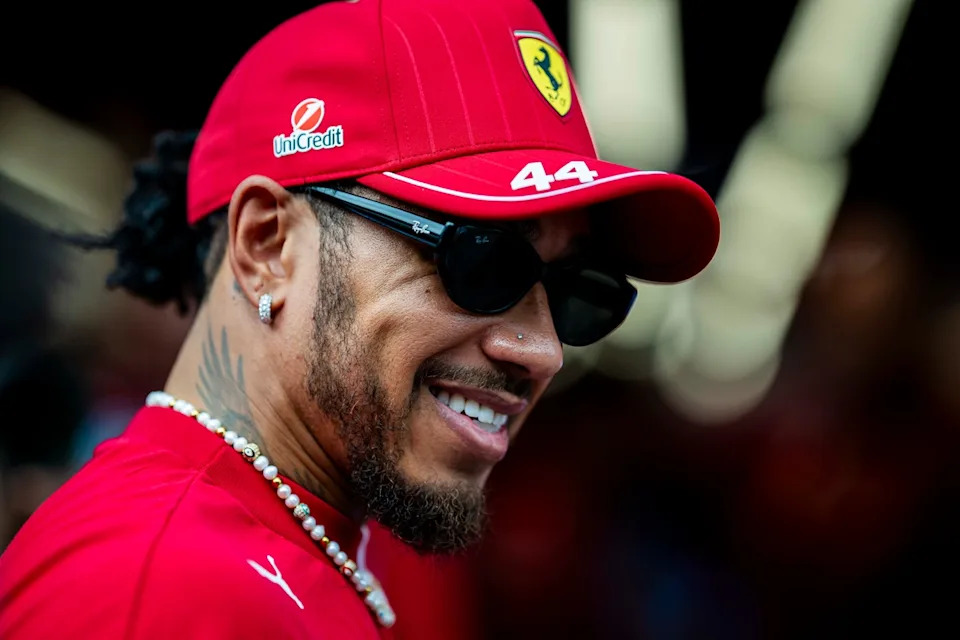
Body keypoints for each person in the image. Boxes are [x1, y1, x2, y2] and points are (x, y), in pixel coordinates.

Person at [0, 0, 719, 637]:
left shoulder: (284, 551)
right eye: (482, 260)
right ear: (267, 246)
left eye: (578, 290)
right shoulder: (160, 592)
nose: (544, 350)